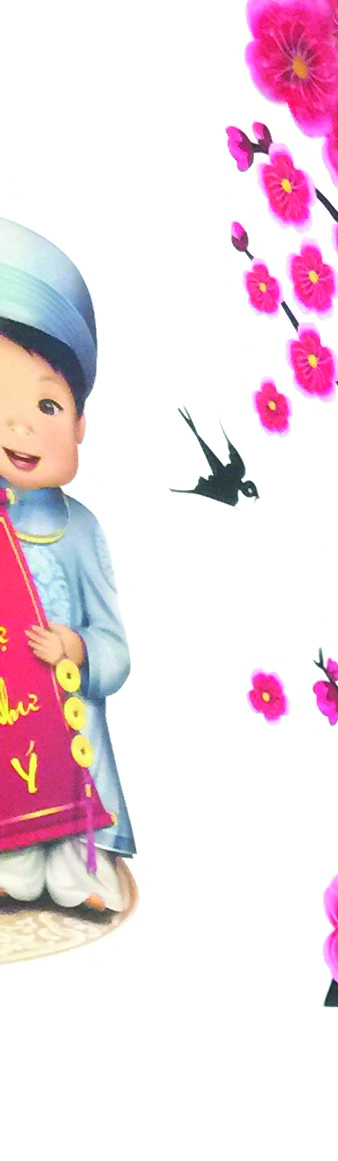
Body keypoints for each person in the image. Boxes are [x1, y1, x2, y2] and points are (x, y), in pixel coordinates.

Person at [0, 217, 130, 922]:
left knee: (73, 847)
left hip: (71, 742)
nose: (20, 428)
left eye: (46, 405)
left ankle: (76, 873)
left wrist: (75, 649)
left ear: (80, 422)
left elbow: (117, 649)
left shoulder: (80, 533)